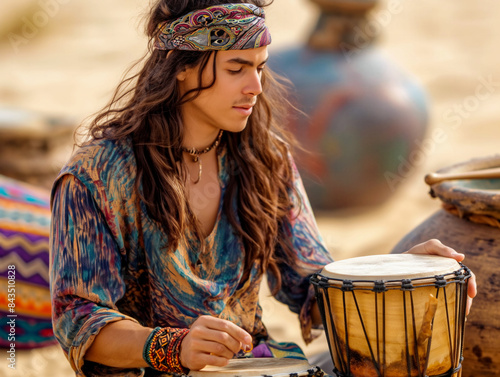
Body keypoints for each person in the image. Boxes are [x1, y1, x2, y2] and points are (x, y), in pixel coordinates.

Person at [49, 1, 477, 376]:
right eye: (236, 68)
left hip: (256, 366)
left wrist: (401, 276)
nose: (254, 87)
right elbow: (78, 318)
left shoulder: (264, 159)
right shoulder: (97, 176)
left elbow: (311, 285)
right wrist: (172, 346)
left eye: (259, 67)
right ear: (181, 68)